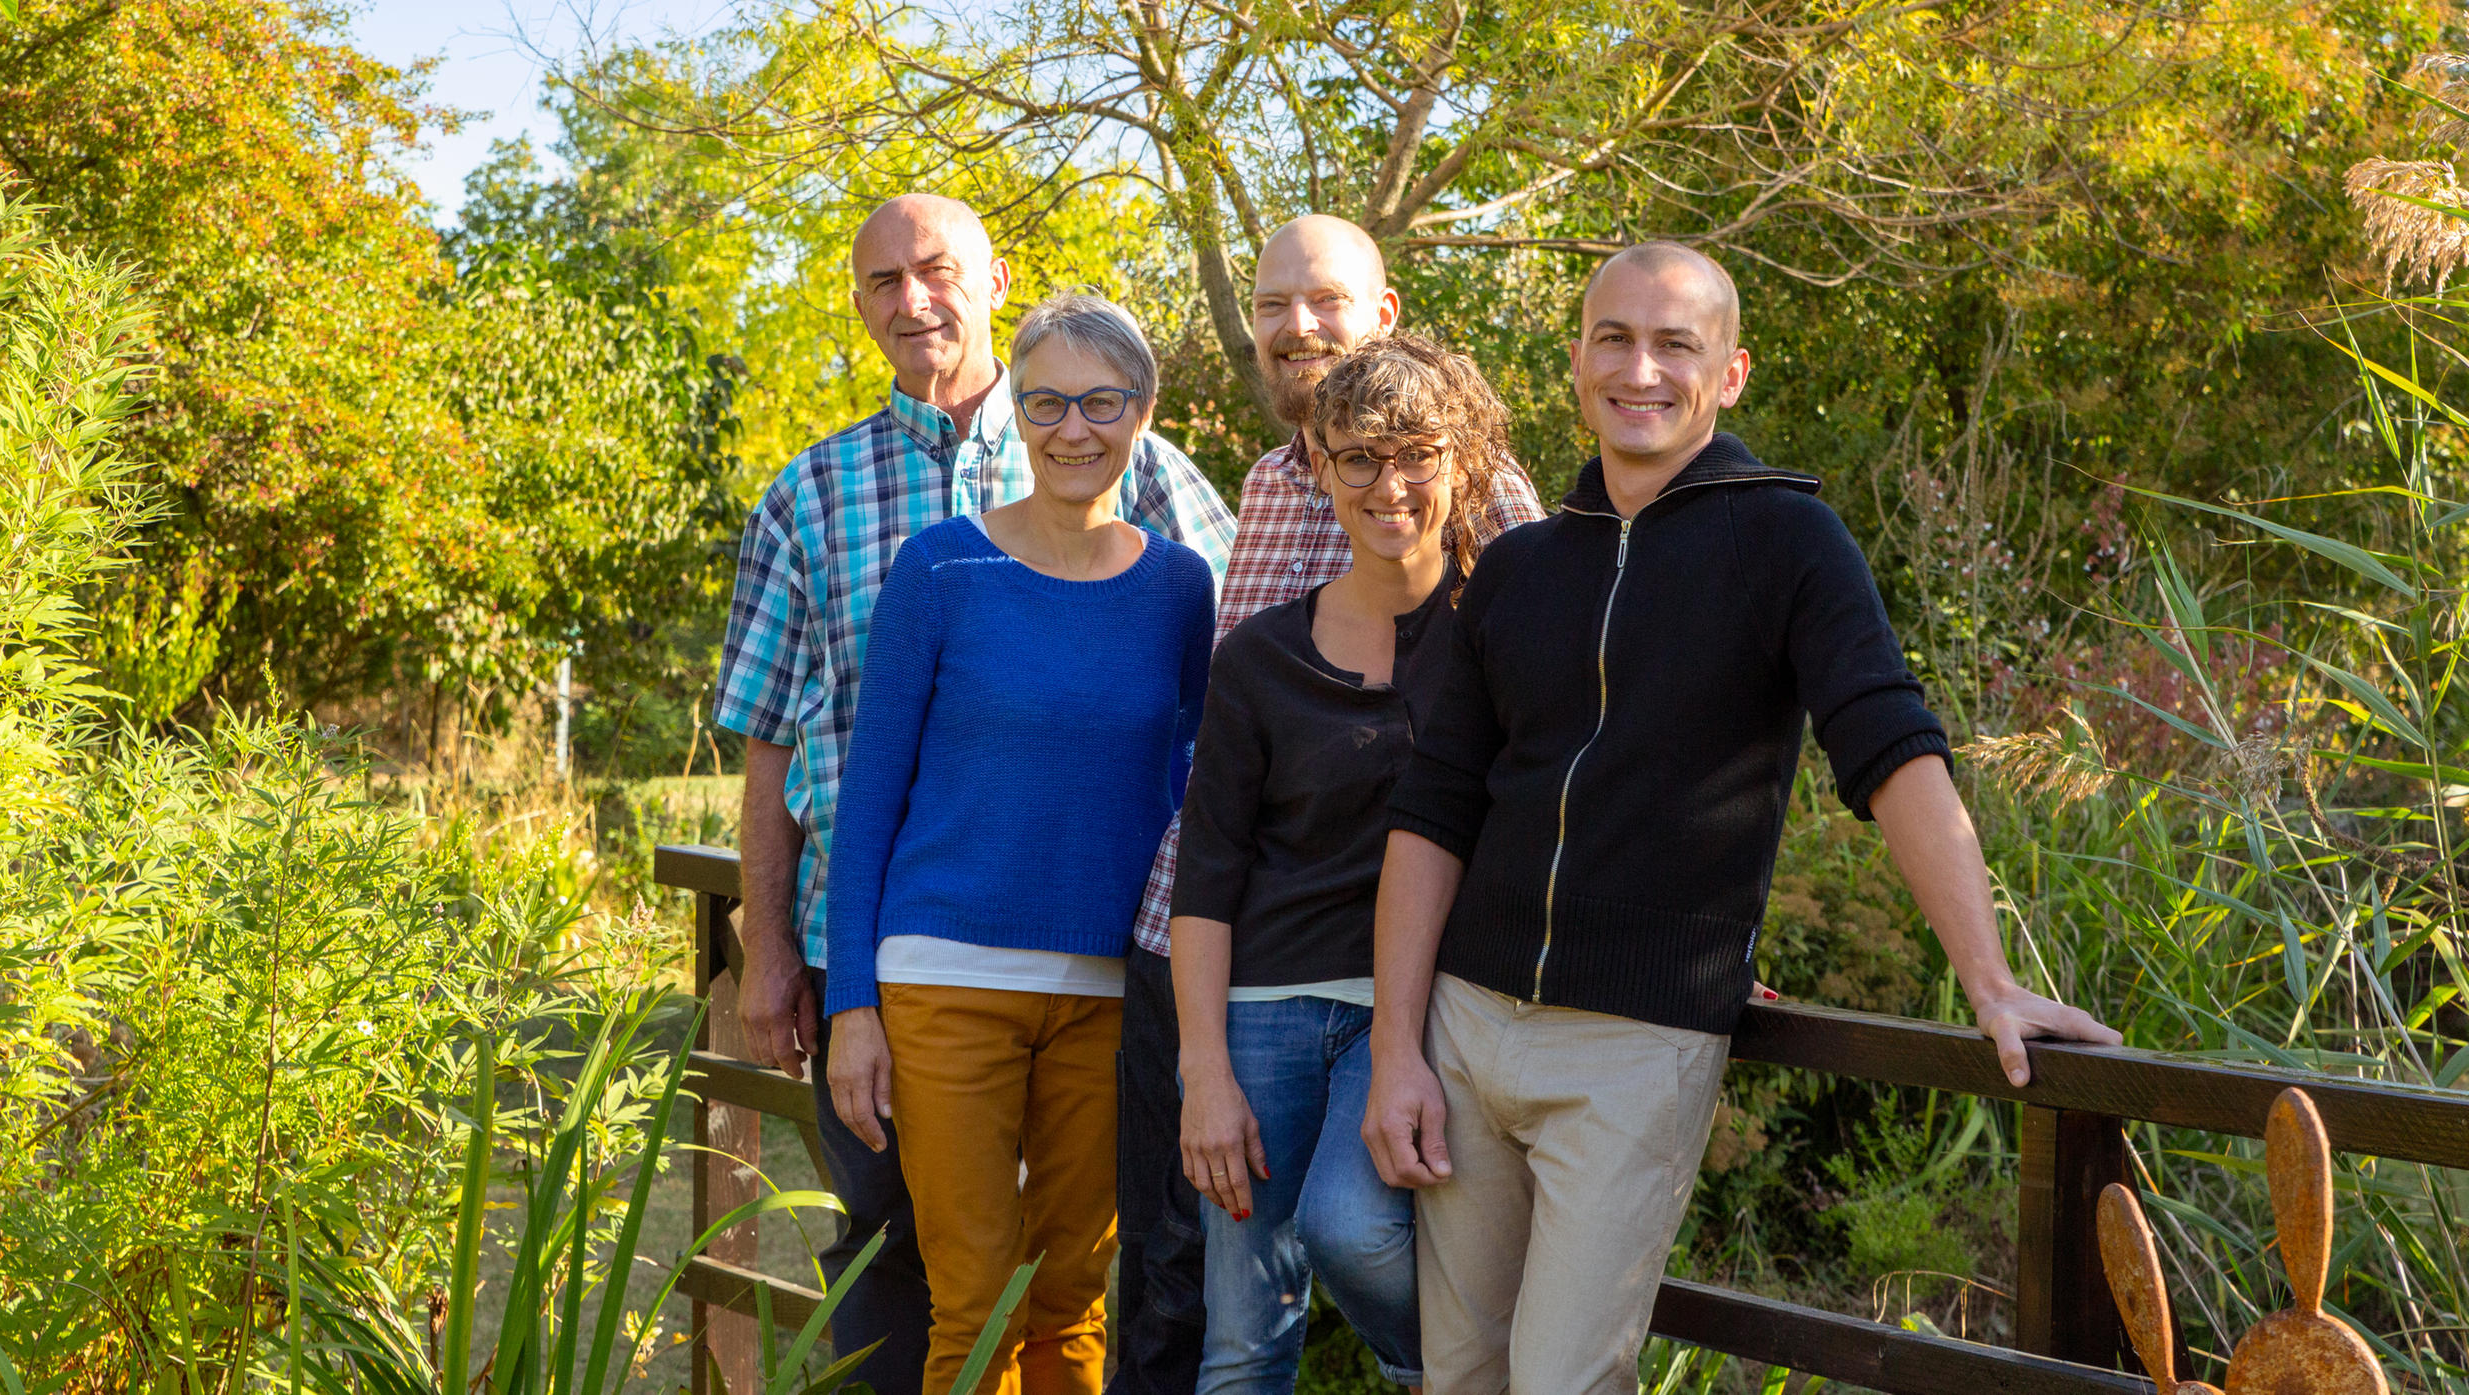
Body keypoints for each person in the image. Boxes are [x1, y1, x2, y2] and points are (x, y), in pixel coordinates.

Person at [1361, 241, 2122, 1395]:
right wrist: (1395, 1047)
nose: (1641, 369)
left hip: (1635, 1045)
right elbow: (1433, 811)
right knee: (1456, 1373)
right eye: (1613, 337)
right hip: (1462, 1032)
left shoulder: (1787, 544)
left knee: (1562, 1381)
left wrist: (1990, 976)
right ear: (1577, 359)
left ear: (1730, 373)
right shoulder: (1515, 568)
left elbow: (1887, 744)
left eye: (1676, 344)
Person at [713, 200, 1234, 1395]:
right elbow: (764, 744)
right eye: (883, 281)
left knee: (1067, 1293)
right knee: (914, 1267)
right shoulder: (815, 496)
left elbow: (1234, 710)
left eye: (935, 270)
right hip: (900, 957)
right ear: (861, 303)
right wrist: (776, 952)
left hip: (1109, 968)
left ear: (991, 278)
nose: (913, 300)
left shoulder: (1150, 489)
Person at [1114, 217, 1546, 1395]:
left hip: (1409, 978)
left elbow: (1567, 730)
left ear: (1385, 314)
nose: (1297, 329)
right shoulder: (1264, 495)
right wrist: (1203, 1047)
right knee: (1207, 1297)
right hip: (1229, 952)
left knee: (1353, 1229)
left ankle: (1470, 1375)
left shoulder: (1484, 513)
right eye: (1273, 306)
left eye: (1324, 302)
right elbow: (1226, 756)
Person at [823, 290, 1216, 1395]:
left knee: (1071, 1300)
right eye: (1046, 401)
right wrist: (854, 1004)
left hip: (1107, 991)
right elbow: (869, 801)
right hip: (942, 983)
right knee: (975, 1302)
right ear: (1020, 415)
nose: (1073, 428)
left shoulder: (1180, 589)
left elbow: (1198, 791)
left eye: (1101, 401)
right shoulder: (941, 570)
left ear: (1141, 410)